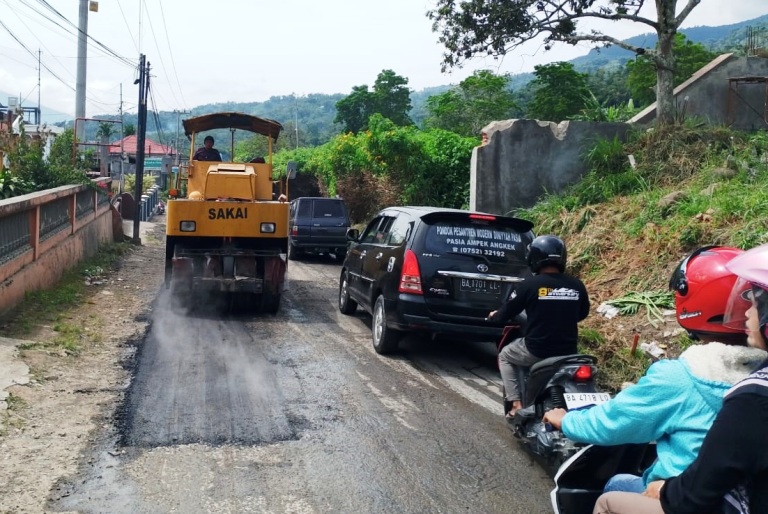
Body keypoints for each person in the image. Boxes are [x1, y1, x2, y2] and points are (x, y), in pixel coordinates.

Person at [543, 246, 766, 494]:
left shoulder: (682, 378)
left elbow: (613, 422)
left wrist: (567, 420)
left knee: (615, 487)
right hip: (740, 497)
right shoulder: (759, 378)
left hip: (680, 496)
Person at [489, 235, 590, 417]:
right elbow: (582, 314)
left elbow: (505, 313)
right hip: (569, 352)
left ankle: (516, 404)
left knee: (505, 355)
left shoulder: (529, 285)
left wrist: (495, 316)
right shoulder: (577, 285)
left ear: (533, 258)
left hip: (537, 350)